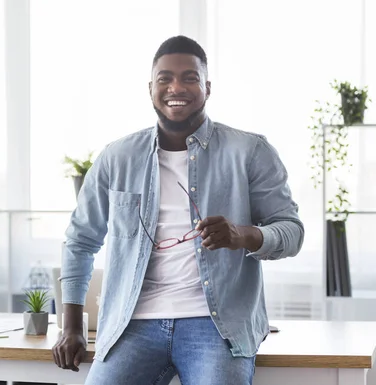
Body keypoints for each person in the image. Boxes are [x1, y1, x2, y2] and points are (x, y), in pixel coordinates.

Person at [51, 35, 304, 385]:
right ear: (150, 88)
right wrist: (72, 326)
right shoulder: (117, 158)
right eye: (165, 78)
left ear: (207, 87)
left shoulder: (251, 151)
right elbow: (80, 241)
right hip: (132, 325)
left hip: (216, 327)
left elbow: (291, 231)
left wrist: (243, 235)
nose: (176, 87)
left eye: (190, 77)